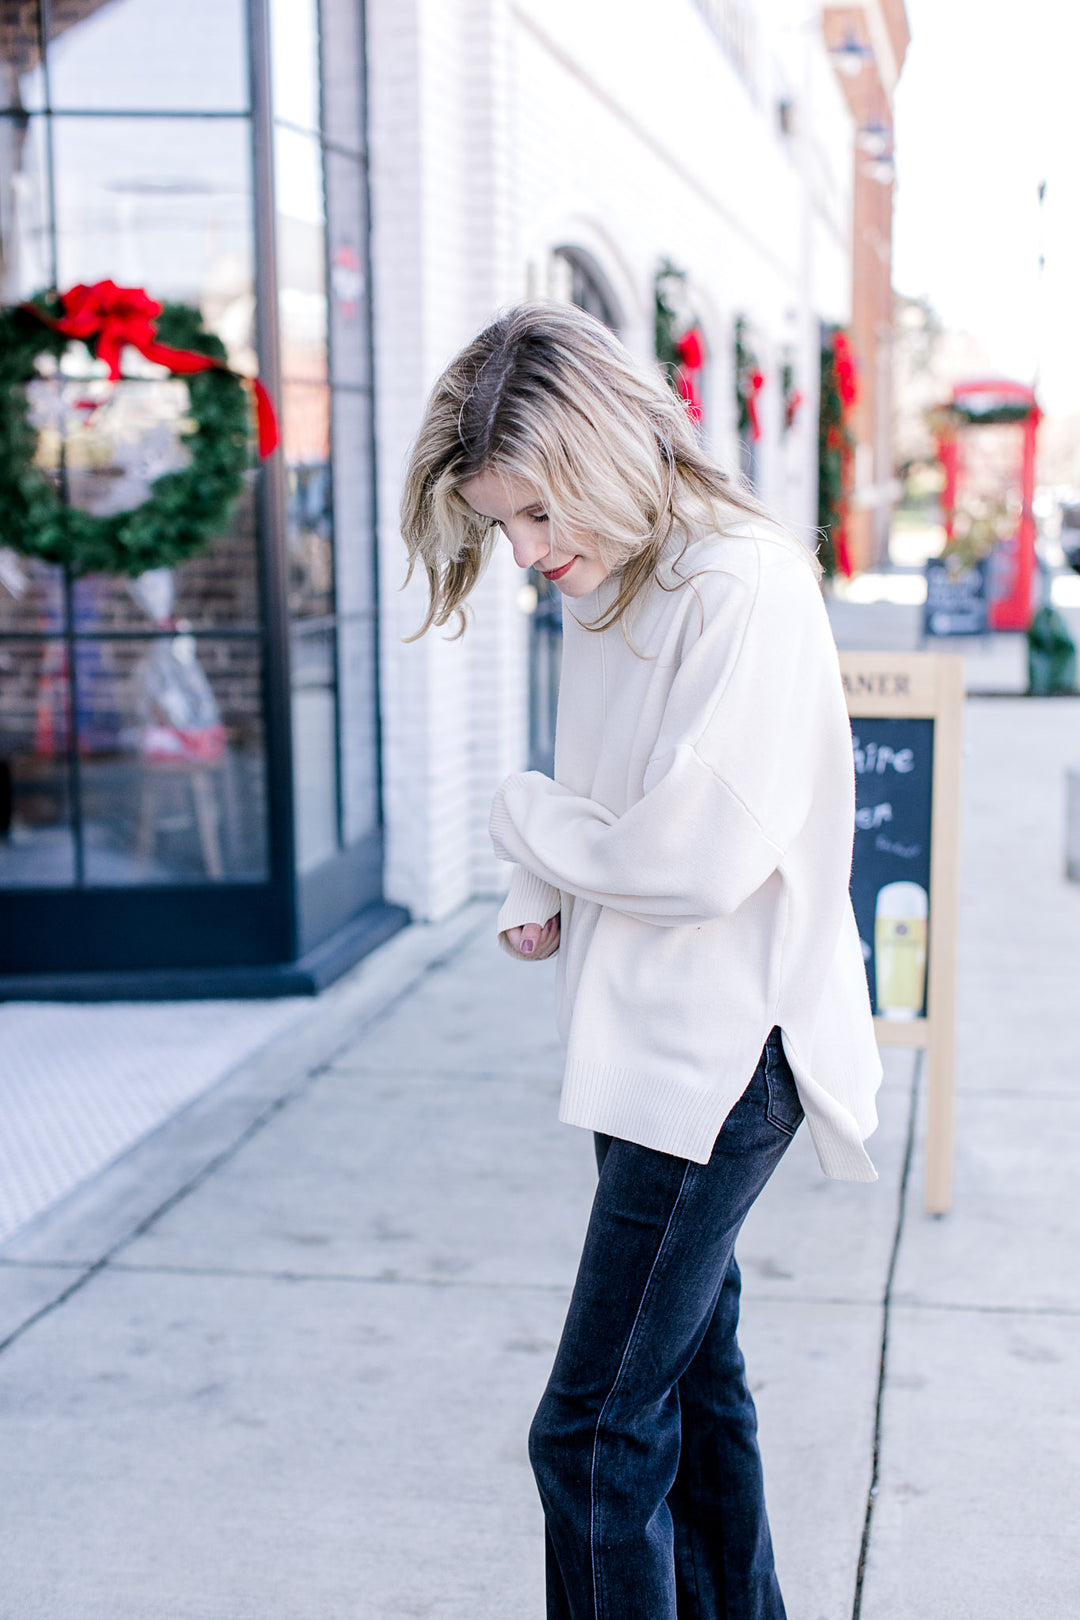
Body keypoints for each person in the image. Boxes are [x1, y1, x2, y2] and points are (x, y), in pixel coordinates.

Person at [400, 302, 882, 1620]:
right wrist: (539, 866)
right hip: (650, 1049)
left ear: (609, 451)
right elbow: (608, 782)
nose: (525, 553)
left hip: (719, 1060)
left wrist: (520, 821)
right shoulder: (618, 574)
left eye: (539, 515)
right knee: (685, 1392)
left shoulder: (737, 583)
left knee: (591, 1435)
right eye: (502, 525)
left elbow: (697, 854)